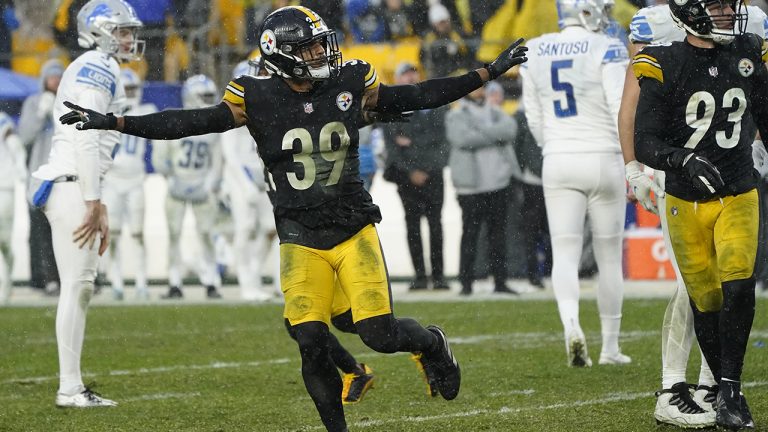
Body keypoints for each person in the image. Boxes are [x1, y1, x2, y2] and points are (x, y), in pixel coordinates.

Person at [58, 5, 527, 430]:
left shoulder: (349, 81)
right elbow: (191, 122)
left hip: (351, 228)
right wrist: (118, 122)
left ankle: (430, 344)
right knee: (308, 337)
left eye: (321, 43)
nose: (322, 53)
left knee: (378, 336)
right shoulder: (254, 95)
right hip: (300, 235)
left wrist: (485, 73)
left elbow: (420, 94)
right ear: (279, 54)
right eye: (309, 47)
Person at [620, 1, 768, 427]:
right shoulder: (663, 59)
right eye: (717, 4)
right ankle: (712, 386)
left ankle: (730, 390)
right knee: (704, 299)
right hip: (684, 198)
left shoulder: (747, 51)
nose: (727, 12)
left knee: (740, 285)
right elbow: (644, 137)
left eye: (729, 4)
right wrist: (679, 159)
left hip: (738, 189)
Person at [30, 0, 143, 407]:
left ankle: (71, 386)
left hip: (74, 184)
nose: (130, 38)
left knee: (79, 288)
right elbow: (85, 134)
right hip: (72, 185)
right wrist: (92, 199)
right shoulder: (98, 66)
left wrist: (98, 199)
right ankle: (70, 388)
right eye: (123, 30)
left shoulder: (97, 66)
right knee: (77, 287)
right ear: (99, 31)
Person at [520, 0, 631, 368]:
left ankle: (571, 324)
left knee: (564, 253)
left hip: (558, 157)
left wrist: (555, 144)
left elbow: (534, 119)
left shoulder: (534, 49)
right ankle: (610, 347)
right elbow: (621, 107)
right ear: (587, 10)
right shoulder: (608, 47)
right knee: (609, 256)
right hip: (603, 156)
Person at [153, 74, 224, 300]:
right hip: (178, 182)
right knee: (174, 234)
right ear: (191, 97)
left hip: (202, 184)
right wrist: (170, 178)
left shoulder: (215, 124)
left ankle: (211, 281)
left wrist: (210, 184)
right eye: (204, 96)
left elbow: (218, 160)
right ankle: (175, 282)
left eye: (210, 96)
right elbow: (160, 156)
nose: (209, 100)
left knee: (206, 234)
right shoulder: (176, 121)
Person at [446, 83, 520, 296]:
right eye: (475, 88)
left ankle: (500, 281)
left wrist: (480, 132)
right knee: (470, 234)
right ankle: (466, 283)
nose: (479, 92)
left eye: (481, 88)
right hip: (470, 187)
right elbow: (462, 139)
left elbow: (510, 129)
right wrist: (494, 135)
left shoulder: (495, 111)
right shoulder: (456, 114)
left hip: (498, 182)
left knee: (498, 235)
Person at [381, 62, 449, 291]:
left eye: (413, 73)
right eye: (406, 74)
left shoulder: (435, 105)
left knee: (435, 225)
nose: (410, 77)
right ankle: (420, 276)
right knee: (413, 226)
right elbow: (392, 147)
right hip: (406, 177)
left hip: (431, 174)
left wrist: (415, 152)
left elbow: (442, 142)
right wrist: (411, 170)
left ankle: (438, 277)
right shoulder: (392, 109)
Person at [101, 68, 154, 301]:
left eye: (133, 89)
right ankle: (117, 281)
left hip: (135, 181)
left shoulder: (145, 110)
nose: (131, 94)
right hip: (112, 181)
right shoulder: (107, 113)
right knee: (113, 233)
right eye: (126, 89)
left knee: (137, 233)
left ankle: (142, 281)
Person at [18, 59, 64, 296]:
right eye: (51, 76)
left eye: (59, 76)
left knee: (62, 228)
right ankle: (42, 278)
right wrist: (39, 114)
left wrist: (56, 115)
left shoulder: (67, 104)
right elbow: (24, 136)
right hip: (37, 175)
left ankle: (62, 276)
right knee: (39, 230)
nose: (55, 81)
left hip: (61, 175)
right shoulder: (32, 102)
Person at [0, 112, 26, 304]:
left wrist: (20, 165)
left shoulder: (1, 119)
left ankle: (6, 280)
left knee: (4, 242)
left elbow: (15, 143)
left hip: (3, 185)